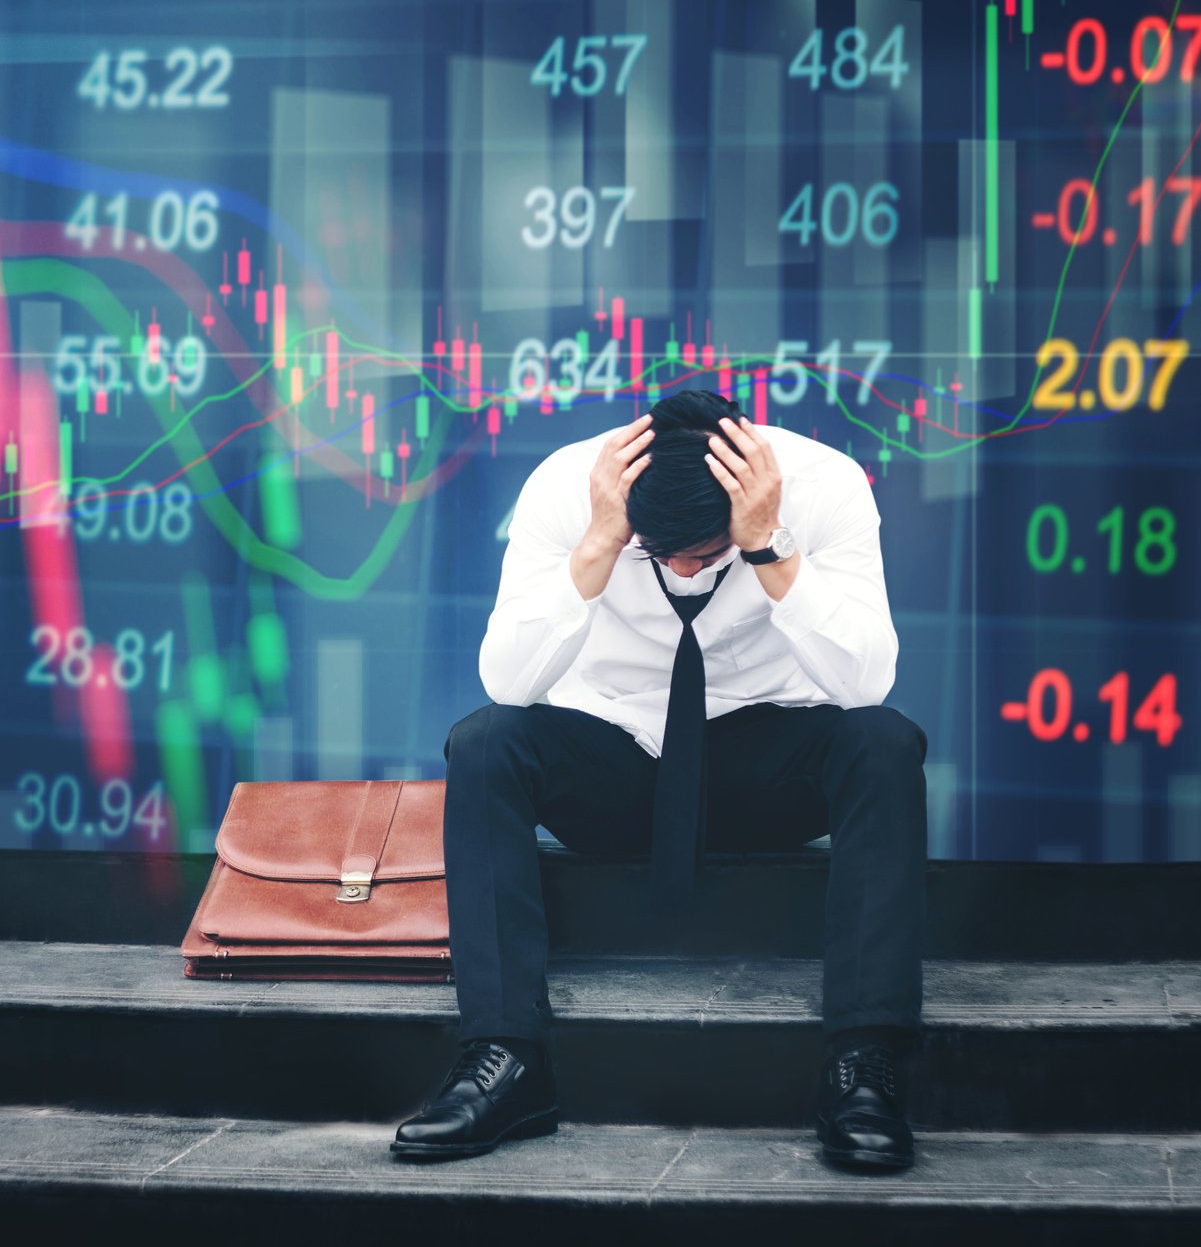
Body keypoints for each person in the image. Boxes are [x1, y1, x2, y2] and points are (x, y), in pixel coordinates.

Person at [391, 389, 928, 1171]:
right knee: (485, 741)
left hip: (760, 767)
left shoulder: (823, 486)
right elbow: (506, 680)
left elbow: (864, 684)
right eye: (658, 553)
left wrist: (768, 548)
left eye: (706, 553)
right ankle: (504, 1058)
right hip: (614, 758)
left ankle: (864, 1070)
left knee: (881, 742)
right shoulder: (564, 486)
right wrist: (601, 543)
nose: (681, 570)